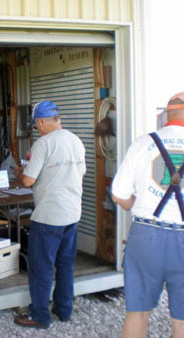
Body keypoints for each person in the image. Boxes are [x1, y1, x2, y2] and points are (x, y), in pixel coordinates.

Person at [112, 92, 184, 338]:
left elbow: (119, 195)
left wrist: (140, 206)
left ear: (167, 114)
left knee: (138, 312)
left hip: (145, 233)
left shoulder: (143, 143)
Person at [13, 101, 86, 329]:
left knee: (41, 267)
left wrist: (18, 171)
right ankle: (64, 310)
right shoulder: (76, 140)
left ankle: (40, 315)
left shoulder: (43, 144)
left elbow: (28, 180)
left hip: (48, 216)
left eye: (37, 124)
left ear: (42, 122)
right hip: (72, 213)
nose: (37, 128)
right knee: (65, 265)